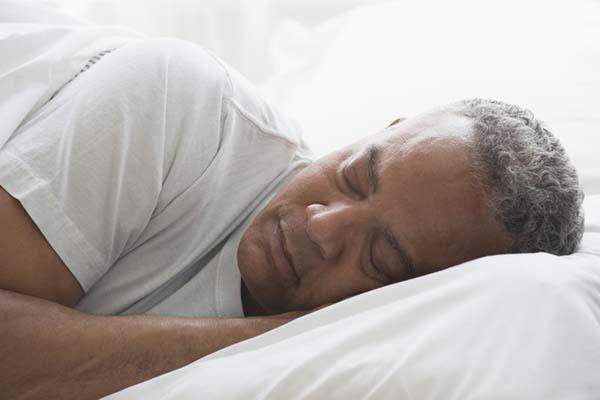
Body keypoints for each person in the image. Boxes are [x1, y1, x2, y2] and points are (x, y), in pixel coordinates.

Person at [0, 38, 584, 399]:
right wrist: (270, 334)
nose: (323, 225)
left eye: (379, 258)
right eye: (355, 175)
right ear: (383, 130)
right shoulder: (184, 105)